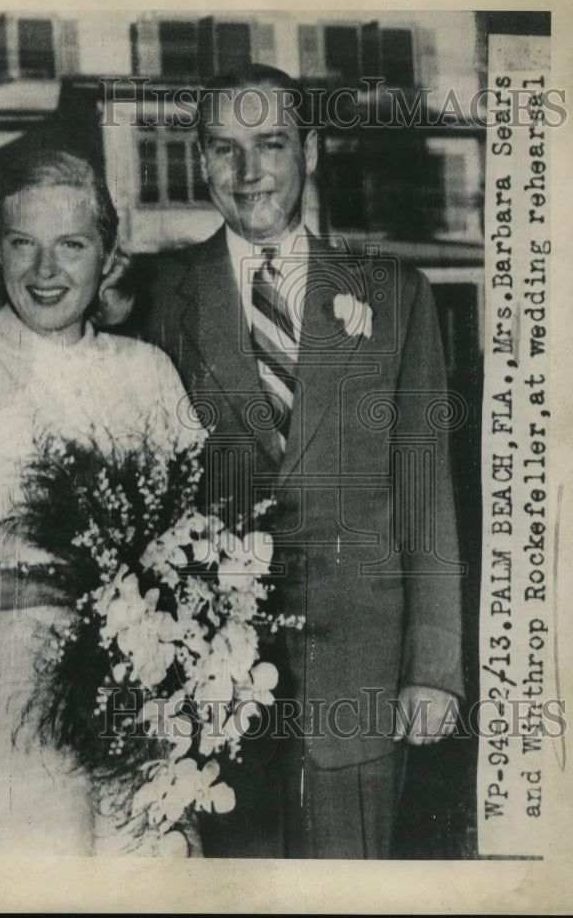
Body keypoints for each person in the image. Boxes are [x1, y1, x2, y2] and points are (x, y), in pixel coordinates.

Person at [140, 65, 464, 858]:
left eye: (271, 144)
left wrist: (435, 667)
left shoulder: (395, 294)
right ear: (202, 160)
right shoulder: (160, 296)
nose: (248, 173)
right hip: (209, 685)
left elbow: (426, 496)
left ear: (309, 150)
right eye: (224, 149)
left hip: (362, 674)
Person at [0, 149, 200, 856]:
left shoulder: (148, 370)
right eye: (23, 245)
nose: (45, 272)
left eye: (70, 246)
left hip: (143, 683)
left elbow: (195, 548)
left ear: (108, 256)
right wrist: (39, 586)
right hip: (16, 684)